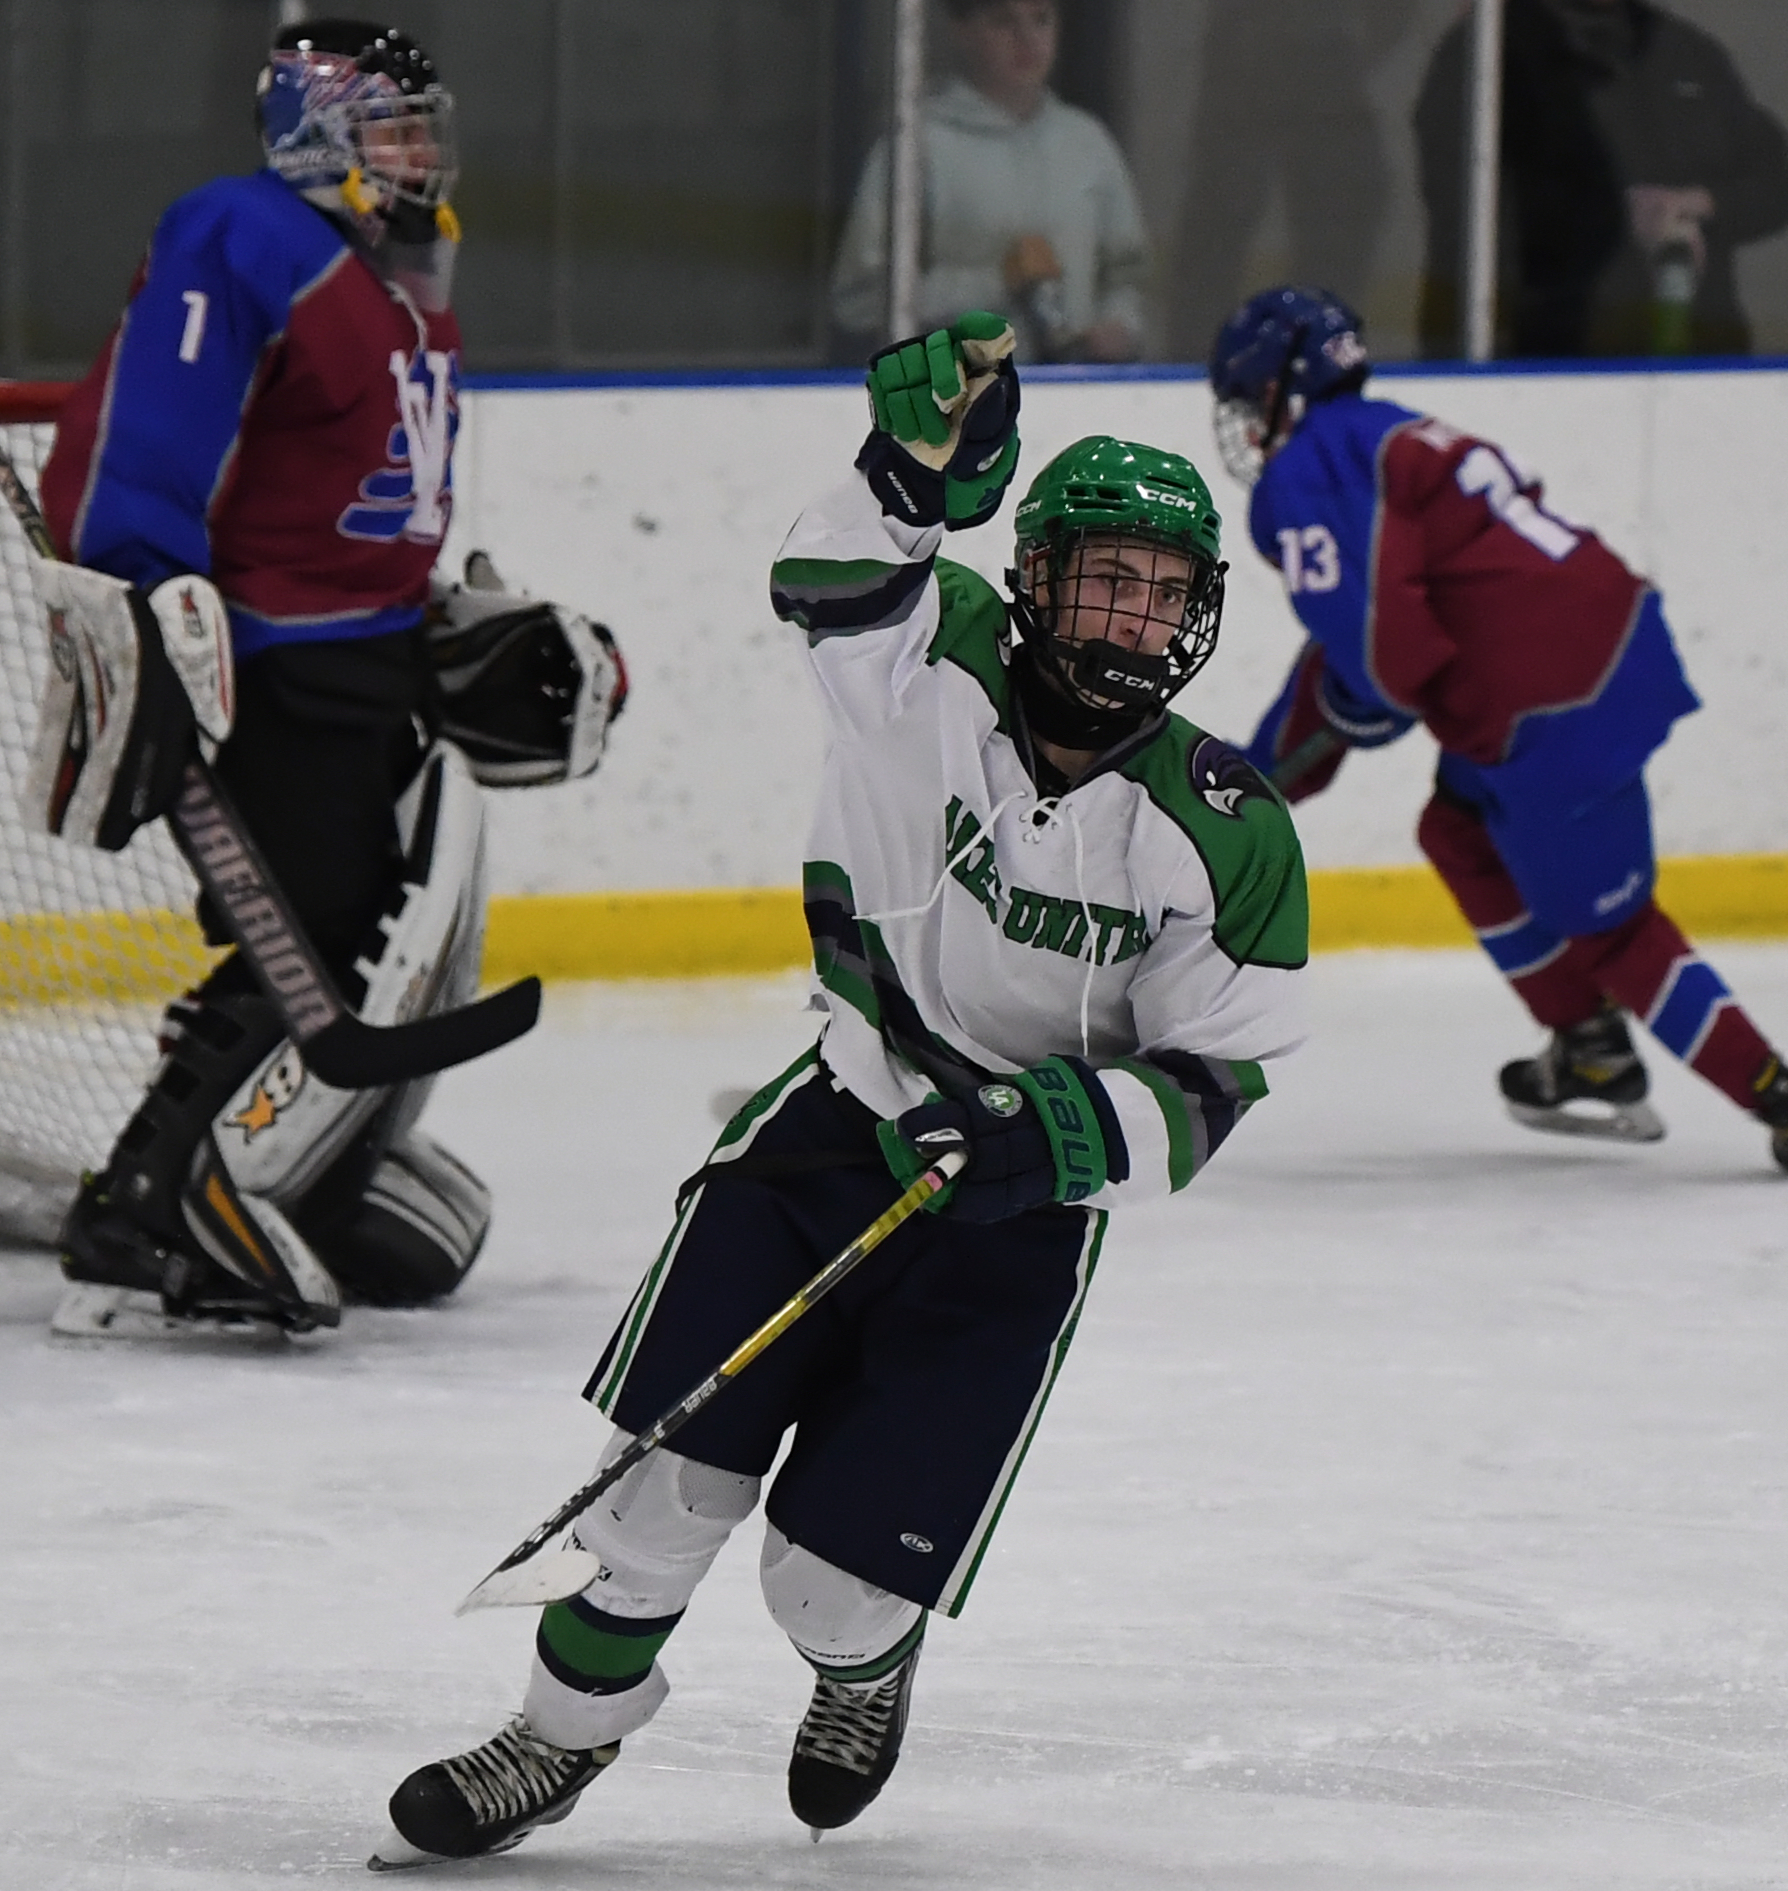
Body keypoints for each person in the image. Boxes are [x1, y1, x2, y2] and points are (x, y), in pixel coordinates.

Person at [370, 311, 1308, 1865]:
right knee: (658, 1500)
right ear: (1036, 576)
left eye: (1163, 594)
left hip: (1012, 1220)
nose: (1135, 620)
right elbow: (824, 576)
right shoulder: (922, 658)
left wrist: (1047, 1129)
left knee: (829, 1583)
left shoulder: (1225, 823)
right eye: (1104, 580)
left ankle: (866, 1669)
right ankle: (553, 1739)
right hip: (828, 1135)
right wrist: (906, 471)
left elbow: (1218, 1074)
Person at [34, 20, 624, 1340]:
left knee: (365, 922)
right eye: (390, 127)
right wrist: (146, 594)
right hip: (270, 659)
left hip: (366, 655)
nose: (418, 151)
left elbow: (364, 485)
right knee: (312, 931)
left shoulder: (397, 271)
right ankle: (154, 1197)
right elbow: (150, 433)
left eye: (424, 126)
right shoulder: (243, 236)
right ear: (312, 127)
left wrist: (445, 617)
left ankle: (303, 1160)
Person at [1209, 285, 1788, 1174]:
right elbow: (1357, 653)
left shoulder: (1309, 466)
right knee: (1458, 825)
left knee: (1615, 930)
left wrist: (1271, 772)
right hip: (1601, 650)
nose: (1250, 427)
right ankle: (1588, 1047)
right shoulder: (1388, 430)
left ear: (1285, 386)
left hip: (1551, 701)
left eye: (1252, 401)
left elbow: (1378, 658)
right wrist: (1269, 763)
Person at [1415, 0, 1788, 357]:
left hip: (1701, 364)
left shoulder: (1687, 52)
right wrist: (1624, 223)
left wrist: (1701, 203)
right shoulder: (1484, 57)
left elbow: (1775, 187)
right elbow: (1467, 217)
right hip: (1547, 366)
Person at [830, 0, 1149, 364]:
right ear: (962, 31)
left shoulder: (1087, 144)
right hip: (959, 403)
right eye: (1003, 22)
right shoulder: (914, 146)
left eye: (1041, 19)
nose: (1028, 39)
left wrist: (1120, 325)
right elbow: (859, 301)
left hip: (1074, 395)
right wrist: (995, 282)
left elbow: (1128, 276)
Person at [1166, 2, 1417, 363]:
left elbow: (1393, 17)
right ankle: (1197, 357)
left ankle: (1323, 349)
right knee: (1224, 211)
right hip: (1250, 48)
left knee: (1349, 204)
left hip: (1318, 52)